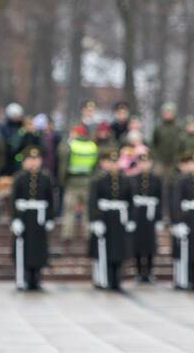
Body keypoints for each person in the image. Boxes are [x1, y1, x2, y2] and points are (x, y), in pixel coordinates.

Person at [88, 148, 134, 291]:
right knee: (103, 251)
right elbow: (93, 201)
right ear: (103, 163)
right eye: (109, 162)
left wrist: (131, 219)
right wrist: (95, 220)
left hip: (120, 219)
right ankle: (102, 279)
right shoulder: (98, 180)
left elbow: (130, 200)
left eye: (115, 162)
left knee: (118, 251)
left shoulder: (125, 180)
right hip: (104, 218)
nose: (113, 165)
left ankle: (116, 280)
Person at [10, 146, 55, 291]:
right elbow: (13, 200)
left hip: (39, 218)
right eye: (30, 159)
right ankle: (24, 277)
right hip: (24, 217)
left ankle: (37, 278)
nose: (33, 163)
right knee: (24, 248)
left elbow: (51, 200)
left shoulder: (46, 178)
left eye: (36, 159)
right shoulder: (19, 178)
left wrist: (50, 218)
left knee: (38, 249)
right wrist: (15, 219)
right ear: (24, 162)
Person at [168, 152, 194, 291]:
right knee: (186, 251)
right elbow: (176, 202)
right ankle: (185, 279)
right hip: (187, 219)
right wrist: (177, 222)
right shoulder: (181, 180)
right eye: (193, 163)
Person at [125, 145, 161, 284]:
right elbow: (129, 198)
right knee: (138, 244)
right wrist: (130, 217)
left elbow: (159, 199)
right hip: (138, 213)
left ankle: (150, 271)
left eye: (147, 162)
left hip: (150, 214)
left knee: (150, 244)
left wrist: (158, 219)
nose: (145, 164)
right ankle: (139, 271)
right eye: (142, 162)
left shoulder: (156, 179)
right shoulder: (133, 179)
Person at [58, 125, 97, 242]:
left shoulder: (71, 146)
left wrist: (62, 182)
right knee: (86, 211)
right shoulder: (92, 146)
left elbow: (63, 167)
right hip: (88, 183)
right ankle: (88, 235)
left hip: (72, 183)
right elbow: (95, 167)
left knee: (69, 211)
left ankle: (67, 235)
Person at [151, 103, 183, 175]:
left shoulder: (178, 128)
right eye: (166, 112)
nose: (168, 114)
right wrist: (155, 157)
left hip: (174, 161)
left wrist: (179, 158)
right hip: (160, 161)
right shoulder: (158, 128)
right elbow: (153, 144)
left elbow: (182, 144)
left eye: (170, 112)